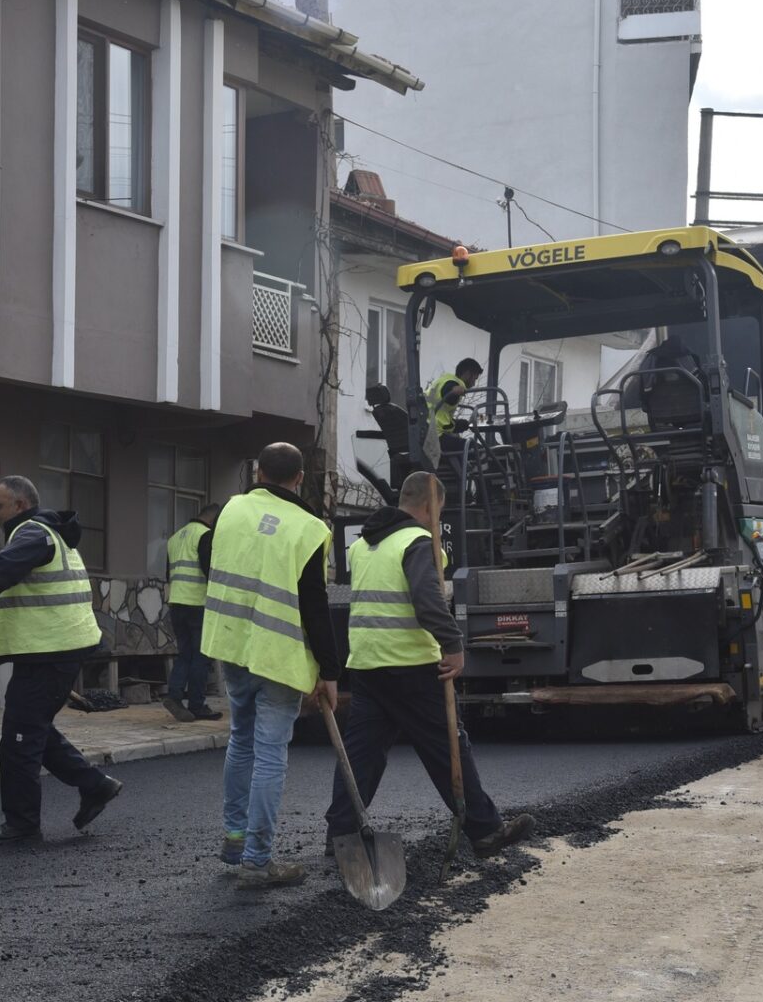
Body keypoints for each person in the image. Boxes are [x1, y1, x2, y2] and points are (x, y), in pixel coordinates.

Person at [325, 472, 535, 857]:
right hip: (411, 664)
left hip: (368, 664)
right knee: (448, 746)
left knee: (361, 755)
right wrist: (453, 644)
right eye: (438, 510)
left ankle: (341, 834)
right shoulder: (418, 542)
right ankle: (486, 831)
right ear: (428, 506)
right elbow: (426, 600)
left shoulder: (364, 545)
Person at [0, 476, 123, 846]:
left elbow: (1, 573)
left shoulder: (31, 534)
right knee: (32, 728)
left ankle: (22, 826)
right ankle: (94, 784)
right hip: (51, 648)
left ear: (20, 505)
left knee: (19, 739)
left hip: (51, 650)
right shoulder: (45, 532)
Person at [202, 442, 339, 890]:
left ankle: (235, 841)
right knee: (270, 753)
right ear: (300, 478)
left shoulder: (231, 511)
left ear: (257, 472)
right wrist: (330, 672)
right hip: (278, 656)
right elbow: (316, 607)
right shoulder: (310, 529)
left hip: (233, 645)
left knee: (240, 741)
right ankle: (258, 861)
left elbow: (212, 563)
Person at [162, 503, 223, 723]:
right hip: (198, 604)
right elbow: (211, 573)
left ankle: (174, 696)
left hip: (177, 603)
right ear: (213, 520)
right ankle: (197, 705)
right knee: (201, 656)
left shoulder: (175, 538)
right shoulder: (205, 536)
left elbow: (168, 574)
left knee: (185, 654)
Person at [425, 358, 483, 473]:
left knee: (461, 450)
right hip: (436, 437)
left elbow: (442, 418)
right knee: (479, 451)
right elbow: (448, 391)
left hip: (428, 431)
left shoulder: (442, 380)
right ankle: (480, 485)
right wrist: (454, 390)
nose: (474, 383)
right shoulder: (454, 384)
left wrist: (459, 424)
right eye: (474, 379)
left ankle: (463, 477)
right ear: (467, 374)